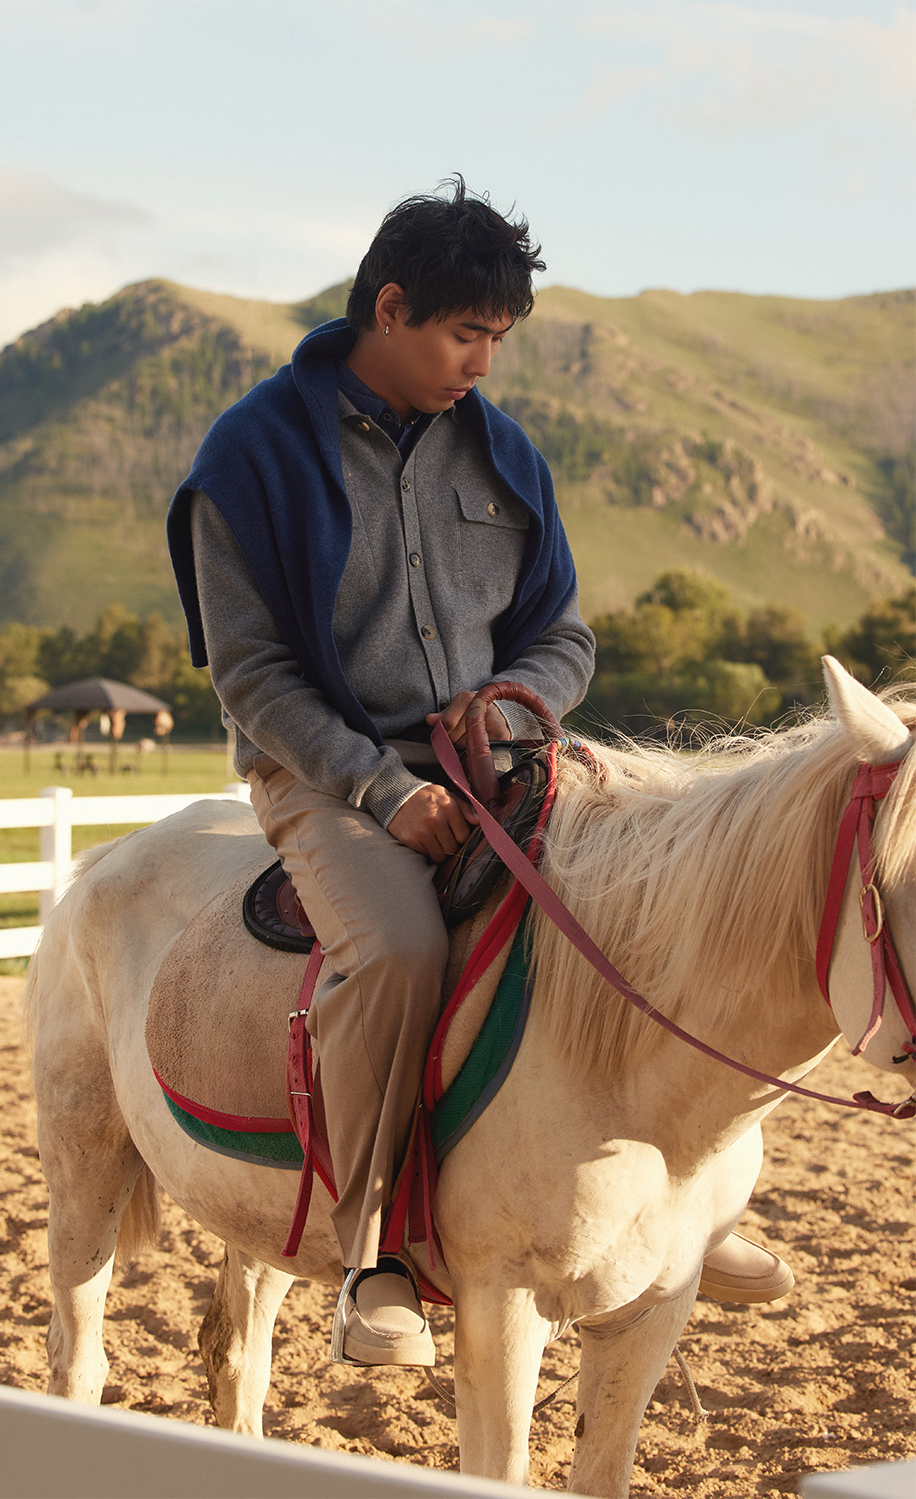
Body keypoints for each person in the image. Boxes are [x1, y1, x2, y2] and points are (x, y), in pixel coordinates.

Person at [167, 178, 791, 1369]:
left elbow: (564, 632)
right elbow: (252, 676)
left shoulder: (505, 456)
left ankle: (683, 1202)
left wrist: (523, 701)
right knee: (398, 948)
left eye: (498, 339)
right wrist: (380, 788)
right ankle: (373, 1256)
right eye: (467, 335)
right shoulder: (249, 455)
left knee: (675, 881)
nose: (484, 366)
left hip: (504, 753)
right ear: (390, 308)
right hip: (326, 773)